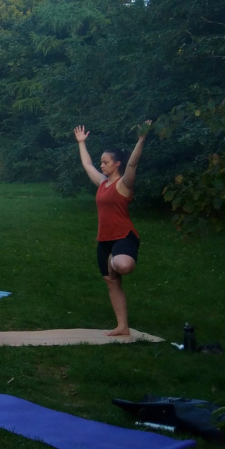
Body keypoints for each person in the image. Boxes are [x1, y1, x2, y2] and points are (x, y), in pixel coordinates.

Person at [74, 121, 151, 337]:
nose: (102, 165)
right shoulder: (102, 183)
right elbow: (87, 165)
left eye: (105, 162)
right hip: (104, 240)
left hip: (124, 236)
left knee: (123, 265)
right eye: (102, 162)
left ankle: (114, 259)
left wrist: (141, 140)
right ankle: (122, 326)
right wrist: (81, 143)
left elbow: (133, 165)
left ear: (117, 164)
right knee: (112, 283)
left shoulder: (124, 184)